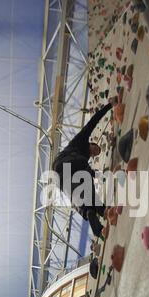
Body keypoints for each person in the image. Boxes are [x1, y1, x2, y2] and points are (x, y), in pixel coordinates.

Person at [53, 99, 115, 237]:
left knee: (80, 195)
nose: (94, 153)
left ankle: (97, 222)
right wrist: (109, 106)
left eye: (95, 154)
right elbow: (93, 122)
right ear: (91, 143)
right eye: (95, 149)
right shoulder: (81, 140)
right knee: (86, 178)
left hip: (61, 178)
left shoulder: (83, 161)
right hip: (65, 163)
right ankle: (102, 210)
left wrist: (100, 174)